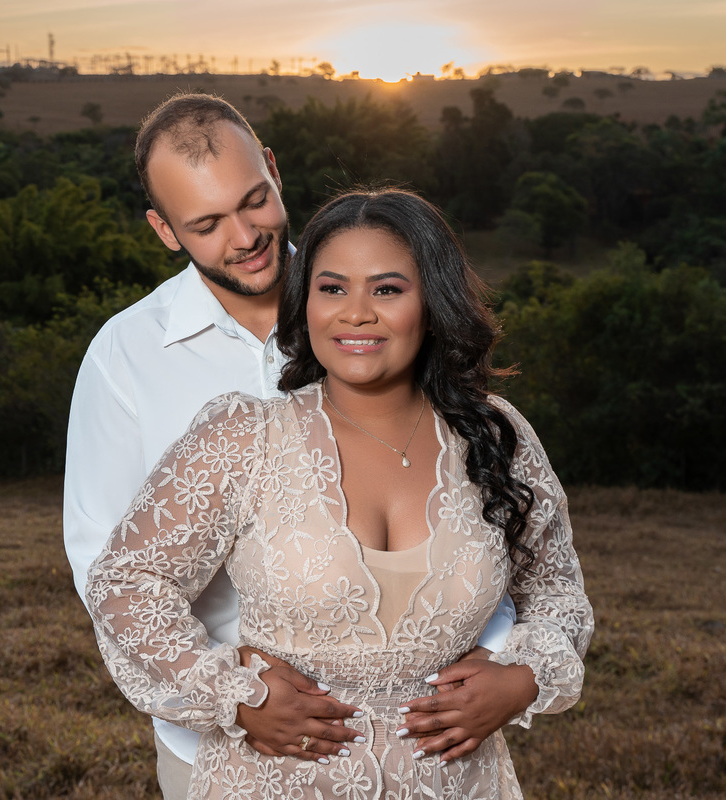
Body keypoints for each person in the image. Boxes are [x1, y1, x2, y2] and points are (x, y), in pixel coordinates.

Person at [63, 93, 517, 798]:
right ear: (164, 229)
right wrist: (233, 691)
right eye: (206, 224)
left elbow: (486, 500)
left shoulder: (379, 306)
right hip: (218, 745)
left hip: (429, 744)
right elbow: (104, 564)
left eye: (253, 201)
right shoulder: (125, 356)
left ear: (273, 170)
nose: (243, 236)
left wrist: (500, 661)